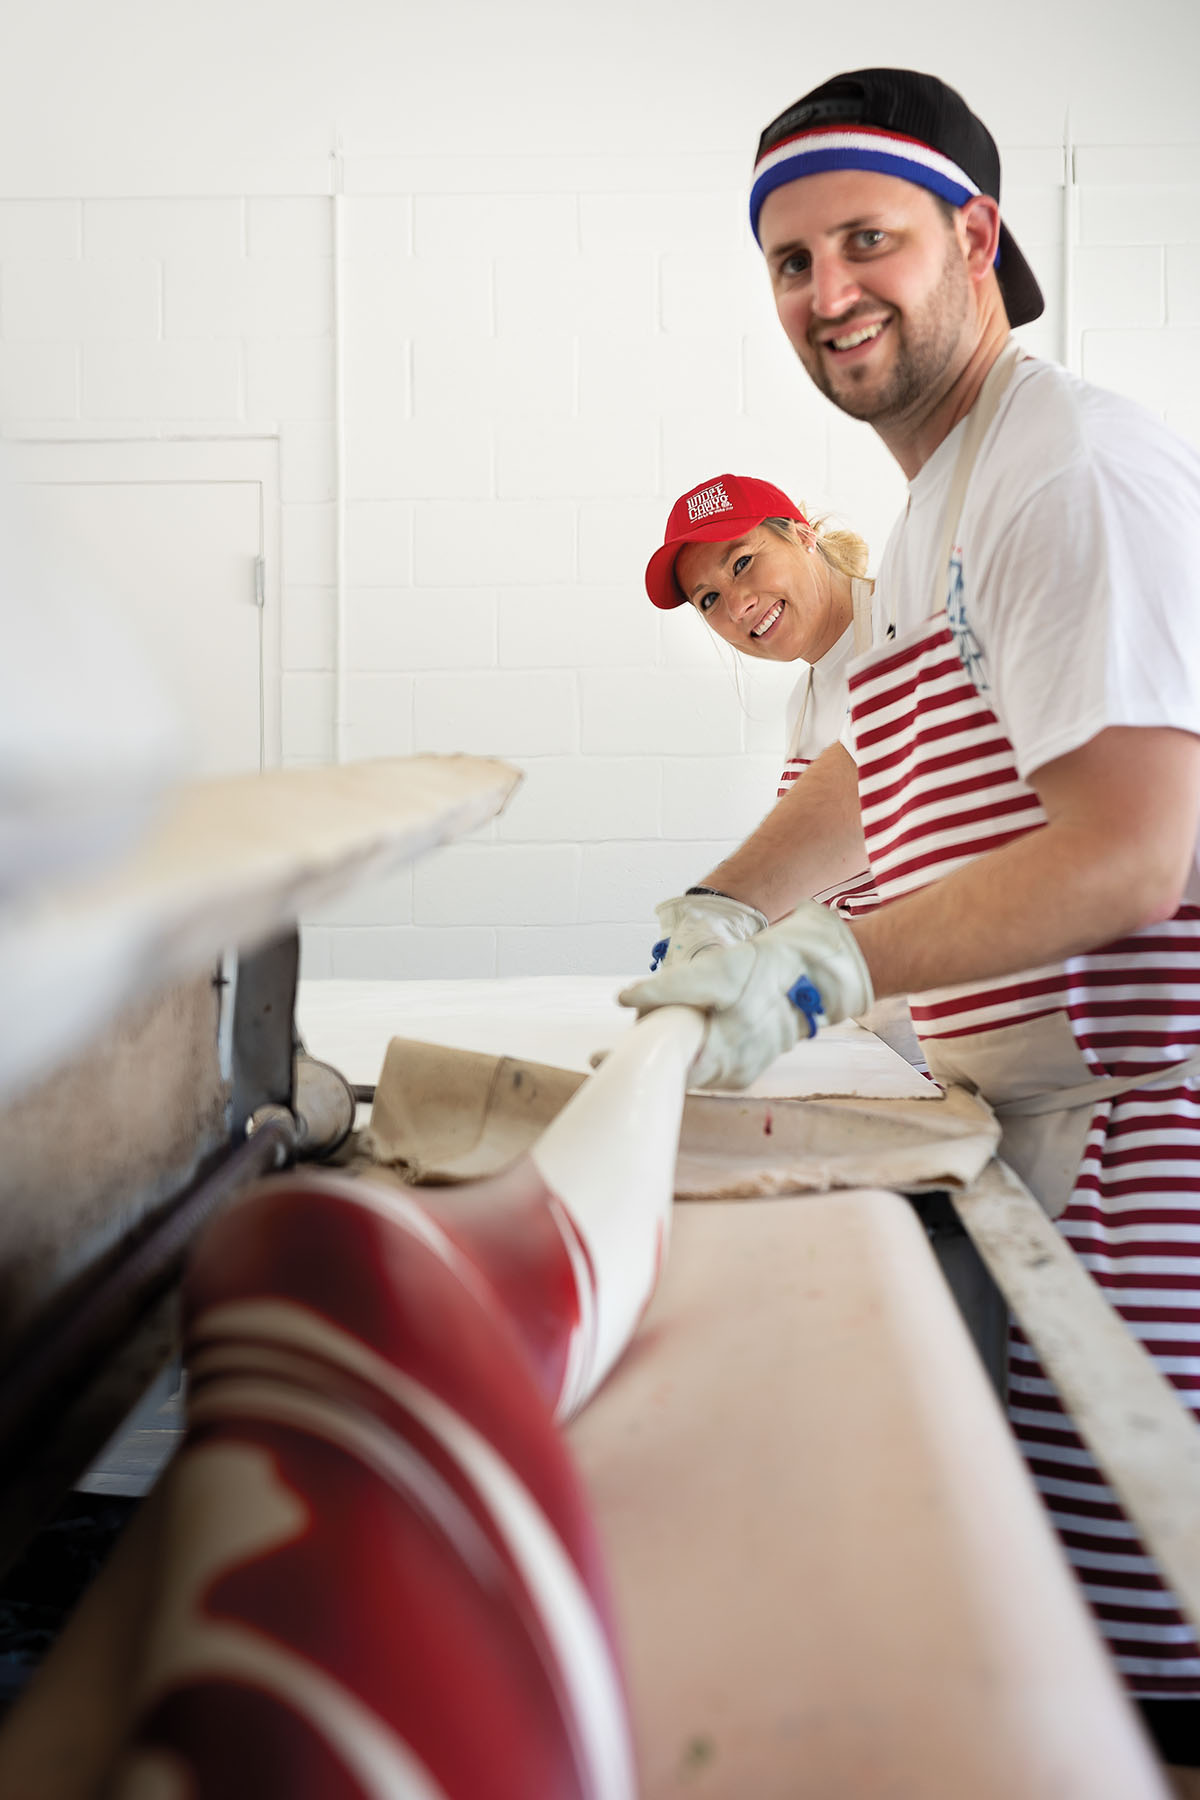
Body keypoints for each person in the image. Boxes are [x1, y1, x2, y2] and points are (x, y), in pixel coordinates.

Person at [620, 66, 1200, 1776]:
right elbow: (876, 761)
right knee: (1054, 1634)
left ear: (975, 236)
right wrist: (726, 908)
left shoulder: (1063, 470)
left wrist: (829, 968)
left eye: (865, 241)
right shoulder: (950, 491)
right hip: (1035, 1134)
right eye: (792, 263)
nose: (828, 295)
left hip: (1156, 1159)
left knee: (1139, 1664)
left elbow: (1130, 856)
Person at [644, 472, 921, 1061]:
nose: (737, 604)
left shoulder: (906, 616)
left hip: (964, 1013)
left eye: (742, 563)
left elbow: (879, 791)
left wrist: (727, 905)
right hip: (877, 1034)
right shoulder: (805, 700)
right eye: (709, 599)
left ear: (802, 535)